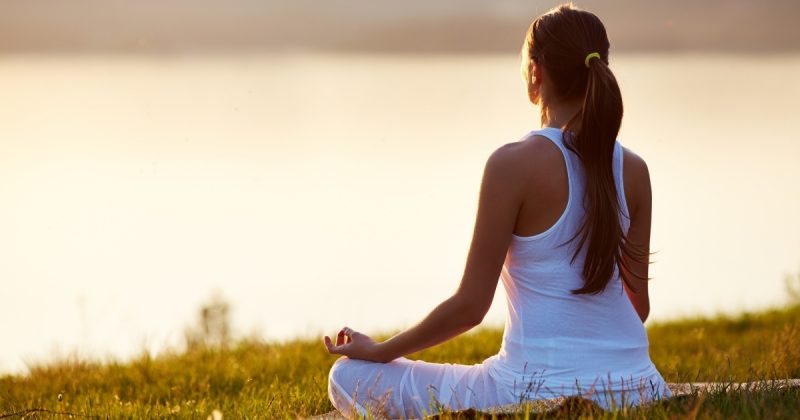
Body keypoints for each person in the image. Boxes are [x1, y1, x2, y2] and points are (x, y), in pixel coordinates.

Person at [323, 3, 671, 418]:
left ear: (537, 73)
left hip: (528, 390)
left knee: (346, 376)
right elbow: (639, 308)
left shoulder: (512, 164)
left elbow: (471, 307)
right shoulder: (634, 169)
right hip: (640, 385)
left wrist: (380, 350)